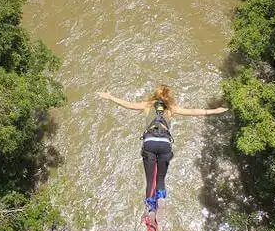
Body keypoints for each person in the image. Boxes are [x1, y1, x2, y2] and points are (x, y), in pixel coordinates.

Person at [97, 85, 228, 217]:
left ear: (155, 95)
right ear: (168, 98)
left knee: (149, 180)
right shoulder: (171, 109)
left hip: (149, 142)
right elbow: (194, 111)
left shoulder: (147, 105)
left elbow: (127, 104)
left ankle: (150, 210)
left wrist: (110, 97)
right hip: (165, 143)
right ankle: (161, 199)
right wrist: (215, 111)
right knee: (160, 178)